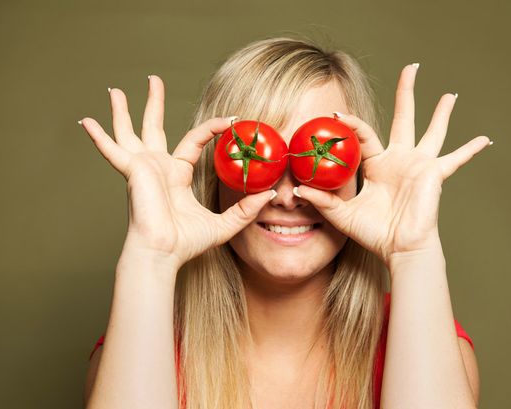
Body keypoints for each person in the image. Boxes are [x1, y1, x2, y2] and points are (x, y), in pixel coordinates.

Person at [79, 36, 485, 409]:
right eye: (253, 156)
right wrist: (151, 257)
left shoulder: (431, 344)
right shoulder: (140, 344)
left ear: (362, 175)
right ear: (214, 177)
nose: (288, 196)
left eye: (319, 156)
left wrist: (413, 253)